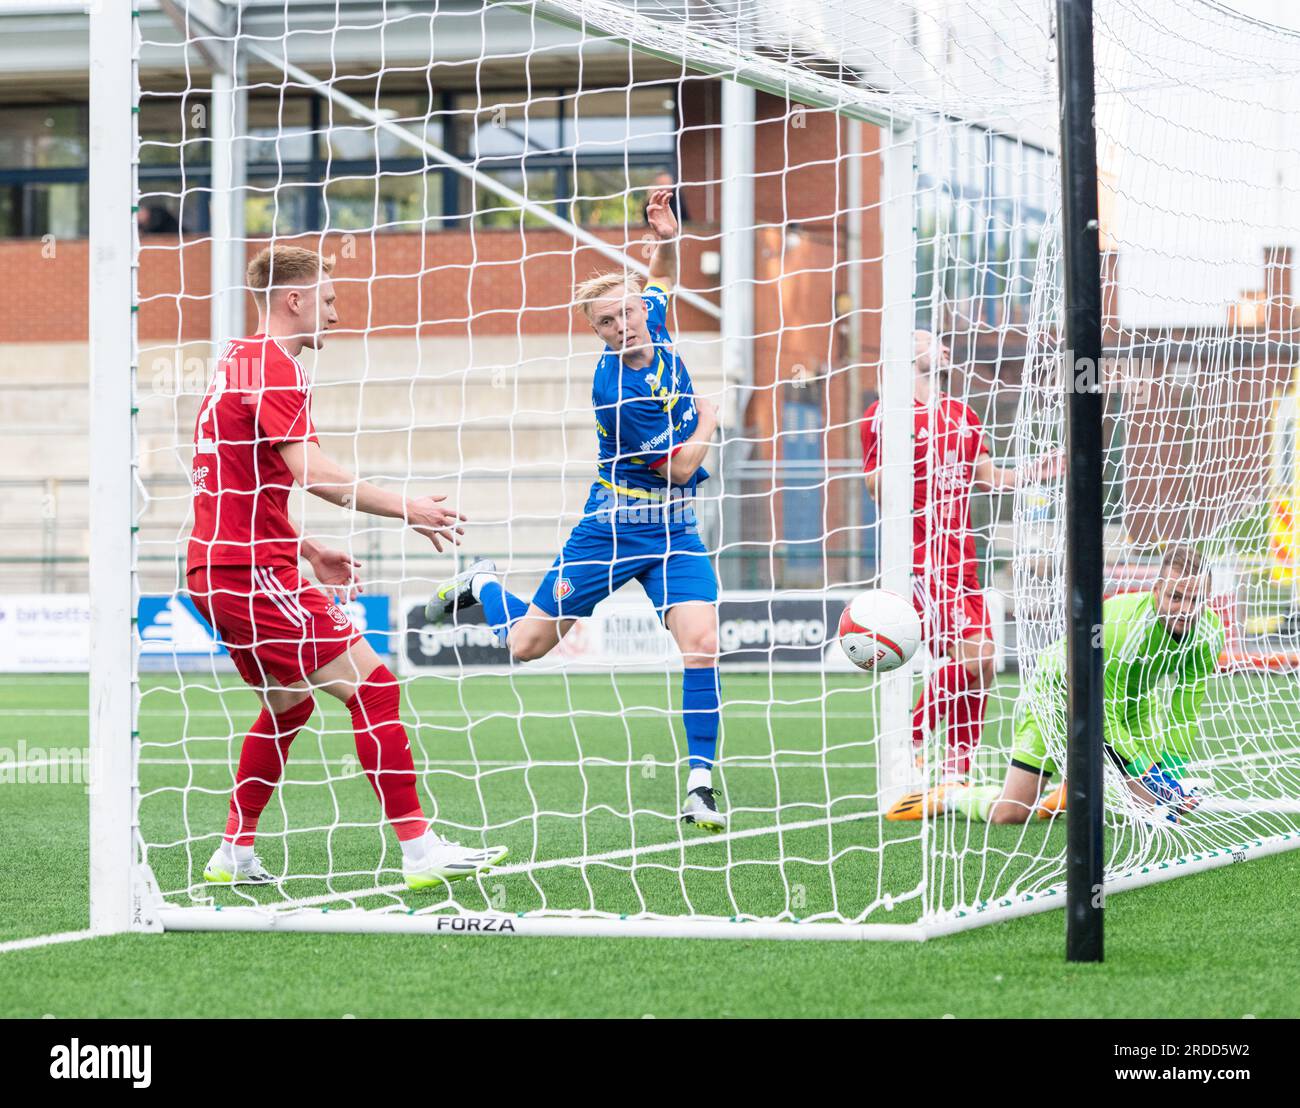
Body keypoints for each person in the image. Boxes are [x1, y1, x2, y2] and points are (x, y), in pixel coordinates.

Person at [188, 244, 507, 888]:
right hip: (249, 574)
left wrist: (306, 549)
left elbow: (239, 478)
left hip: (225, 566)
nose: (337, 314)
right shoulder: (275, 367)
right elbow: (315, 475)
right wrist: (407, 507)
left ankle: (233, 852)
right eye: (329, 301)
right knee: (375, 687)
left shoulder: (236, 360)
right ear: (295, 299)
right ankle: (420, 850)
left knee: (288, 708)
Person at [428, 188, 726, 832]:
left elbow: (658, 281)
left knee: (701, 644)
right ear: (595, 332)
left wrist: (664, 236)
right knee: (528, 646)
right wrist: (709, 416)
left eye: (624, 315)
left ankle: (700, 785)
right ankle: (482, 583)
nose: (620, 327)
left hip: (673, 529)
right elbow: (678, 464)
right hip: (612, 528)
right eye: (605, 324)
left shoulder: (653, 315)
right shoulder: (615, 390)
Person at [887, 545, 1223, 824]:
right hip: (1057, 696)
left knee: (1155, 808)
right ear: (1156, 591)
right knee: (1011, 812)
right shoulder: (1122, 628)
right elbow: (1102, 715)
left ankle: (1069, 788)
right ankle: (953, 796)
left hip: (1131, 705)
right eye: (1176, 597)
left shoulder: (1208, 634)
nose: (1186, 610)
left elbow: (1185, 710)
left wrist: (1173, 774)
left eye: (1196, 601)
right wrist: (1146, 769)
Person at [862, 331, 1051, 780]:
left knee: (984, 664)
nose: (942, 346)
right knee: (972, 656)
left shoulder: (964, 414)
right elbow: (875, 489)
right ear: (906, 353)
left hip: (963, 557)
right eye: (928, 339)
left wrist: (1038, 471)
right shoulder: (886, 413)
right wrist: (900, 449)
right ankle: (907, 744)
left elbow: (990, 479)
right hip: (920, 557)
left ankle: (956, 770)